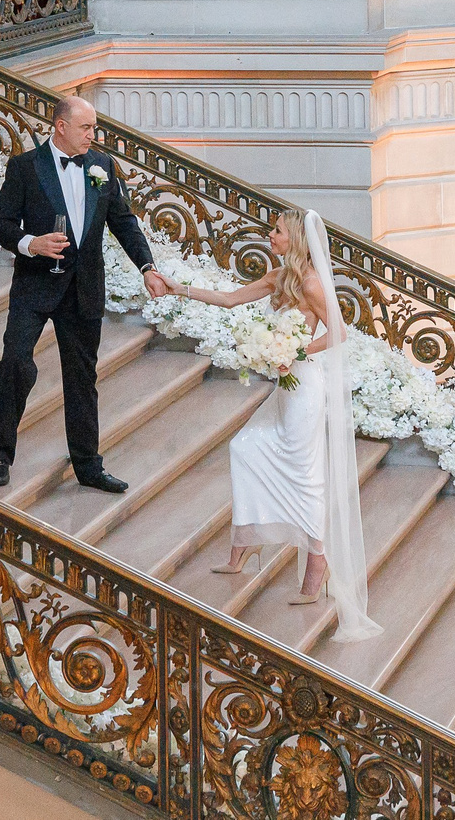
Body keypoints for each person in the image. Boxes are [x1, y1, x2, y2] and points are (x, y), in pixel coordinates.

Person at [166, 209, 380, 642]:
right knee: (245, 448)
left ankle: (316, 560)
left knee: (304, 476)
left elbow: (338, 332)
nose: (270, 235)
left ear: (295, 238)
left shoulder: (312, 284)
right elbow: (230, 299)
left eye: (277, 231)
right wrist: (180, 289)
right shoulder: (280, 276)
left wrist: (299, 352)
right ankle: (246, 542)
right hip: (286, 388)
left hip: (305, 390)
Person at [0, 95, 171, 492]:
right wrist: (30, 243)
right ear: (61, 127)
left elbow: (123, 222)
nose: (93, 134)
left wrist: (148, 268)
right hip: (35, 285)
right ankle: (1, 453)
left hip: (82, 288)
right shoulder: (24, 168)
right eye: (86, 127)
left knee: (82, 378)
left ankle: (88, 466)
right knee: (16, 363)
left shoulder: (102, 167)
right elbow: (1, 225)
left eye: (94, 127)